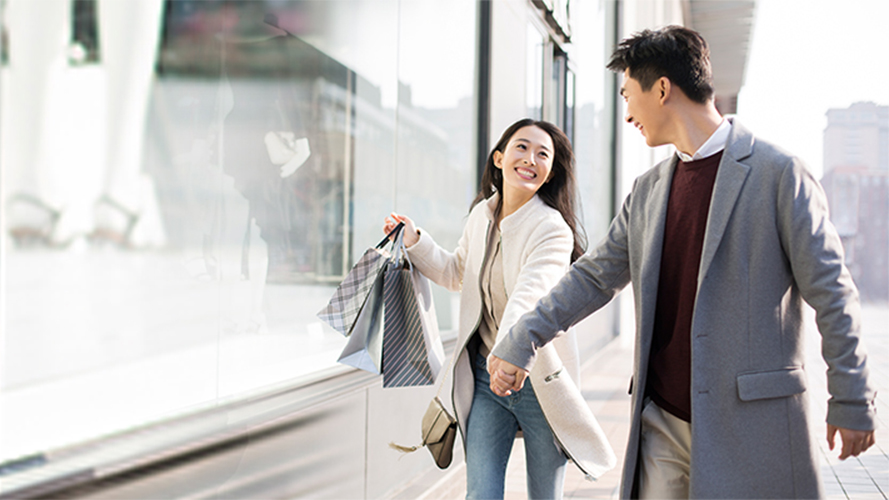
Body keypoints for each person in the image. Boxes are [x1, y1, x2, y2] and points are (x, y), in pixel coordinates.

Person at [488, 26, 877, 499]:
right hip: (663, 420)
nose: (627, 112)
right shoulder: (648, 190)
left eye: (629, 95)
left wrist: (852, 397)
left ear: (663, 89)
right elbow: (592, 278)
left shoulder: (779, 175)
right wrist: (520, 339)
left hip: (750, 427)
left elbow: (832, 291)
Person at [383, 118, 614, 499]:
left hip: (538, 381)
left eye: (543, 154)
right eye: (521, 147)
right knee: (481, 494)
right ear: (499, 158)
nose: (530, 159)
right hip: (487, 381)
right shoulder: (481, 217)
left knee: (544, 495)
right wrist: (414, 240)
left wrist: (509, 355)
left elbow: (531, 295)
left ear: (550, 172)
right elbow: (457, 273)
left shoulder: (552, 229)